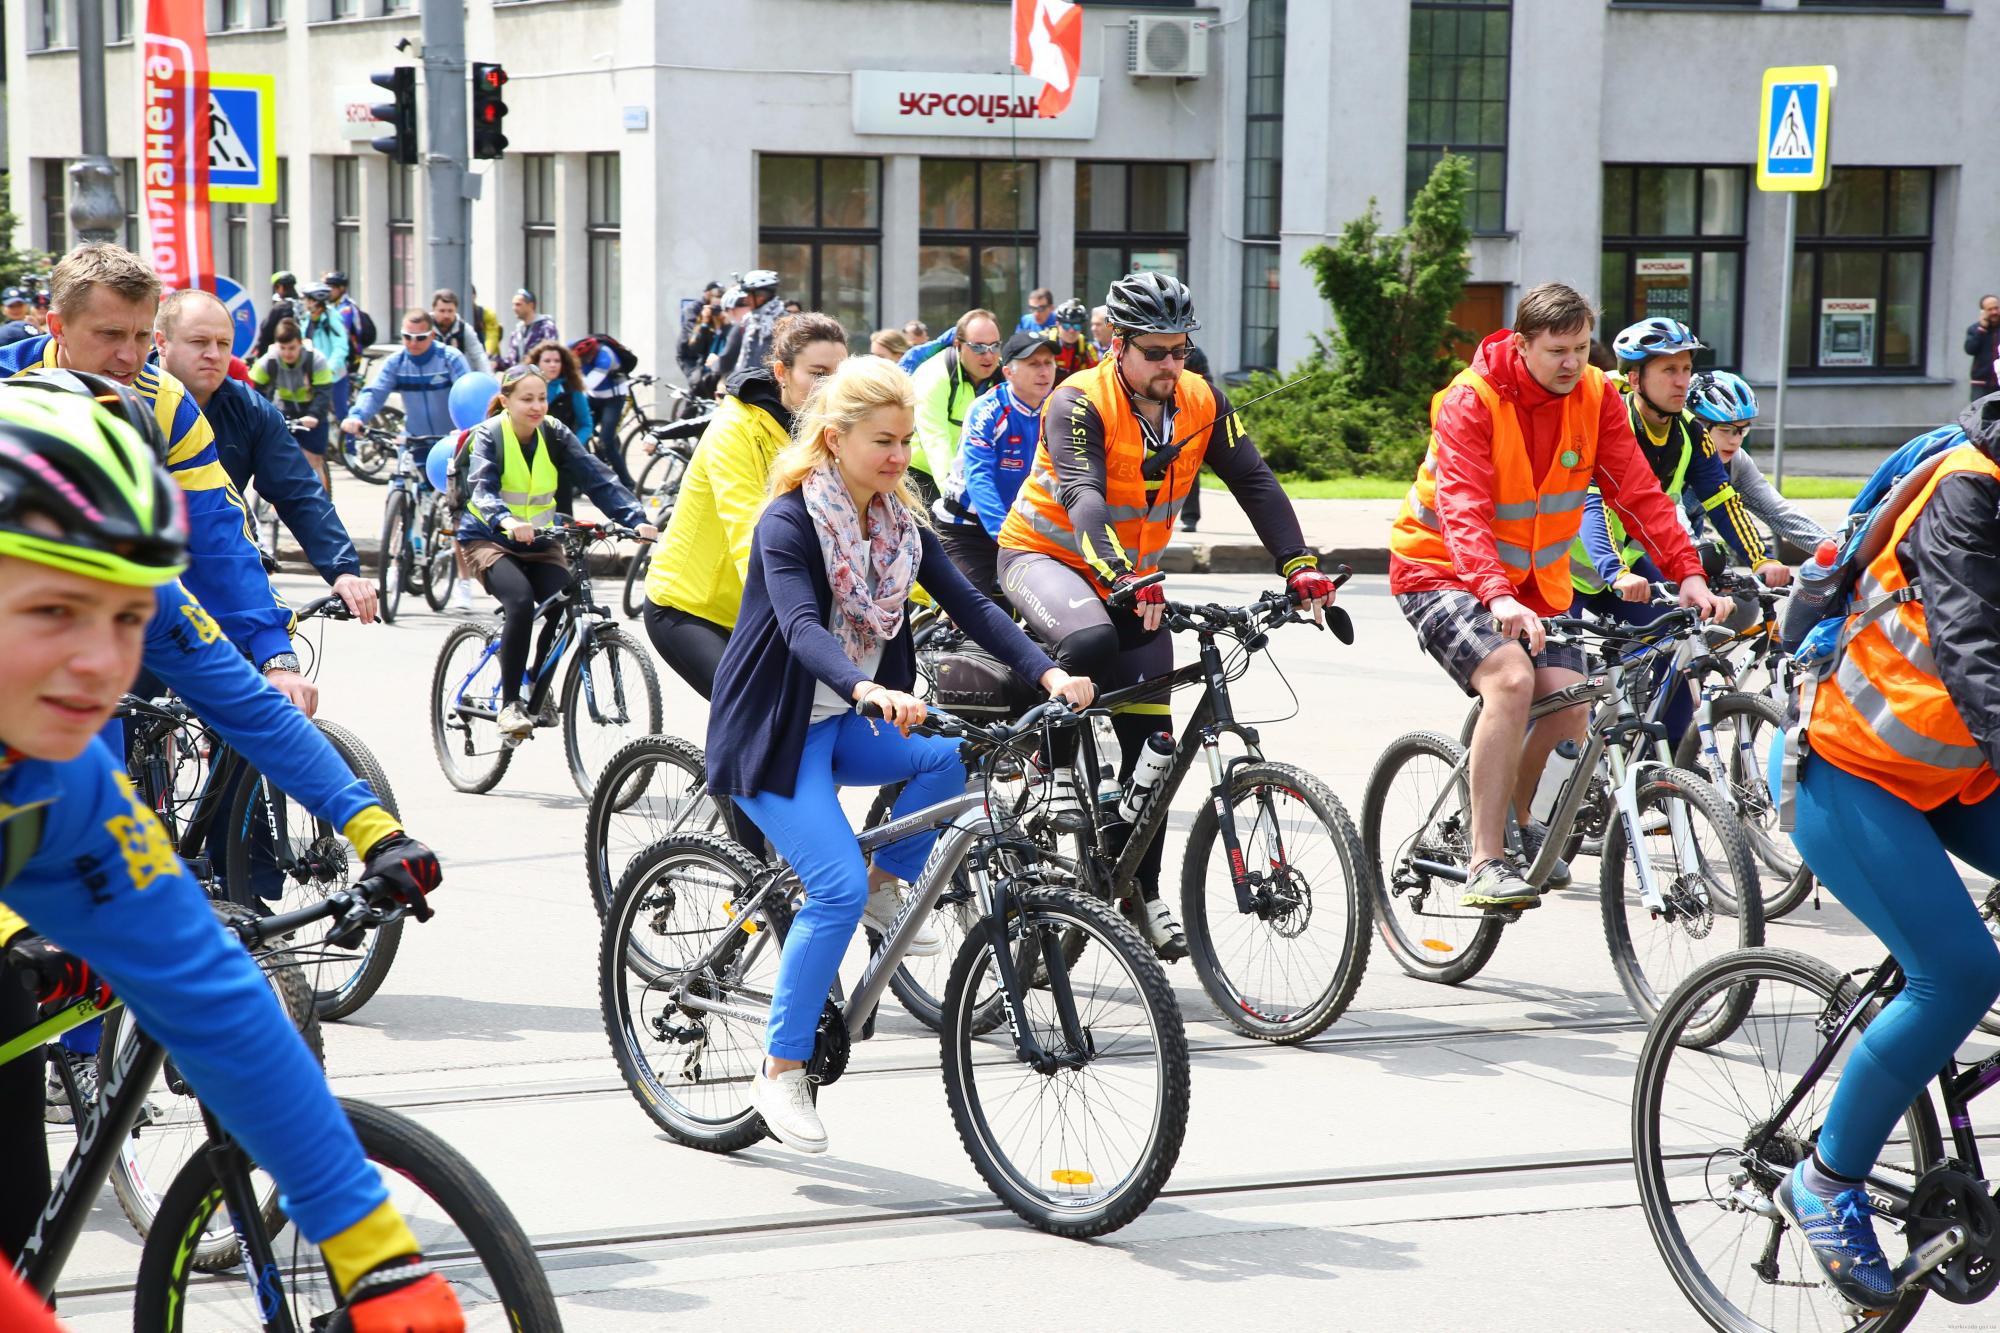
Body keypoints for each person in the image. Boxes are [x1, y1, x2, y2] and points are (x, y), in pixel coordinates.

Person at [0, 387, 461, 1329]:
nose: (100, 664)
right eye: (54, 608)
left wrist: (379, 1262)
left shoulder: (65, 778)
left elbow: (212, 992)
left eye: (128, 619)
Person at [706, 355, 1094, 1154]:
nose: (898, 457)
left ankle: (889, 891)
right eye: (882, 441)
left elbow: (974, 605)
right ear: (835, 436)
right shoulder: (789, 521)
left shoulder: (898, 525)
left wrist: (1047, 668)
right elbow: (800, 628)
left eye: (906, 441)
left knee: (949, 754)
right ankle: (780, 1070)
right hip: (775, 733)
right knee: (832, 885)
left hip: (843, 719)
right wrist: (863, 687)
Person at [997, 271, 1341, 958]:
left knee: (1151, 750)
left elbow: (1254, 480)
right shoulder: (1077, 401)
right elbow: (1082, 493)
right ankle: (1057, 765)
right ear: (1117, 345)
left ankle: (1141, 892)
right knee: (1091, 639)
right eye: (1155, 352)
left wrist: (1297, 564)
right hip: (1045, 556)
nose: (1171, 365)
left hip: (1132, 577)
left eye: (1180, 350)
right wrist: (1120, 574)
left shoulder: (1199, 400)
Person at [1387, 282, 1731, 913]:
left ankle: (1516, 824)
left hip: (1533, 584)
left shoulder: (1597, 394)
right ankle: (1486, 858)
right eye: (1556, 351)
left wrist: (1688, 572)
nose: (1572, 363)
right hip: (1439, 570)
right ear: (1522, 345)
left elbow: (1638, 491)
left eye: (1580, 347)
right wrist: (1494, 594)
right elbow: (1462, 508)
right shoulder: (1473, 400)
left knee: (1574, 704)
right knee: (1513, 680)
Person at [1772, 391, 2000, 1314]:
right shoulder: (1969, 493)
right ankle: (1826, 1179)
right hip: (1852, 771)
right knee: (1956, 972)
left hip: (1951, 773)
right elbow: (1973, 650)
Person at [0, 244, 298, 691]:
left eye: (141, 337)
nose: (130, 357)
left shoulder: (167, 403)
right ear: (58, 327)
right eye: (110, 335)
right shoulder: (9, 388)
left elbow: (215, 528)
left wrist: (275, 653)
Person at [643, 314, 847, 700]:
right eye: (817, 374)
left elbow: (876, 524)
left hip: (760, 611)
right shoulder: (734, 429)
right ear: (782, 372)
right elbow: (749, 532)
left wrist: (928, 596)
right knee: (758, 715)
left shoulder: (828, 433)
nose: (829, 389)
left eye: (838, 377)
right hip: (690, 609)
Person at [458, 365, 656, 740]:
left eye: (542, 398)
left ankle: (536, 684)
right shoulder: (489, 435)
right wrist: (504, 518)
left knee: (565, 600)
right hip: (488, 537)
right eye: (527, 399)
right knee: (520, 601)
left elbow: (596, 476)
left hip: (539, 538)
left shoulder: (553, 432)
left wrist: (635, 519)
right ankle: (511, 705)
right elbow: (481, 489)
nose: (537, 407)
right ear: (505, 401)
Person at [159, 295, 373, 629]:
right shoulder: (128, 394)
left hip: (219, 563)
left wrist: (342, 569)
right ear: (161, 342)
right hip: (137, 576)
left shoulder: (251, 411)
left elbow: (299, 492)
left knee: (274, 666)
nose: (213, 354)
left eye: (223, 343)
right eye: (199, 342)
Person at [1573, 318, 1784, 623]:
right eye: (1669, 370)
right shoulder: (1610, 424)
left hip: (1626, 568)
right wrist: (1615, 571)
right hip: (1566, 571)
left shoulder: (1692, 433)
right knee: (1566, 664)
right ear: (1634, 380)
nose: (1682, 381)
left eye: (1686, 369)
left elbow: (1722, 501)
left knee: (1675, 634)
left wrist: (1760, 558)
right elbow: (1594, 504)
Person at [934, 329, 1054, 601]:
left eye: (1048, 363)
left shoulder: (1057, 407)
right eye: (1033, 364)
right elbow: (979, 477)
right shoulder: (988, 409)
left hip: (1021, 528)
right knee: (973, 615)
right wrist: (1005, 535)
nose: (1044, 372)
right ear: (1009, 372)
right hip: (966, 527)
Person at [1684, 370, 1831, 559]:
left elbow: (1776, 511)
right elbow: (1670, 518)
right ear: (1697, 426)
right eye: (1725, 430)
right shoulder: (1671, 460)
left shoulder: (1736, 462)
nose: (1735, 441)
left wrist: (1830, 548)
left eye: (1742, 430)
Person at [908, 308, 1003, 508]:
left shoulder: (1003, 376)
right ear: (958, 345)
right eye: (978, 347)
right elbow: (936, 441)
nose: (988, 355)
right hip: (921, 472)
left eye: (995, 346)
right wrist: (953, 497)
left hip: (972, 473)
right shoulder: (934, 376)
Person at [341, 310, 471, 443]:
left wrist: (468, 427)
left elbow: (467, 396)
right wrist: (357, 416)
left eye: (420, 338)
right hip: (413, 442)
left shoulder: (450, 358)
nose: (413, 343)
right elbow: (375, 393)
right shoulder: (396, 362)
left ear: (432, 335)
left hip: (450, 442)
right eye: (407, 337)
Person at [247, 318, 335, 483]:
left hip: (313, 411)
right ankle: (275, 508)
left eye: (292, 348)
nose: (287, 353)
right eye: (283, 348)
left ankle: (320, 506)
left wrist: (314, 415)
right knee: (277, 460)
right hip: (285, 409)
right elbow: (253, 390)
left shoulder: (316, 360)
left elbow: (324, 392)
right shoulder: (269, 361)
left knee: (313, 461)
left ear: (300, 343)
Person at [527, 338, 596, 514]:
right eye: (547, 361)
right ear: (536, 364)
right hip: (529, 458)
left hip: (560, 462)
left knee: (563, 515)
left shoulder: (571, 388)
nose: (553, 365)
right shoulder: (525, 386)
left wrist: (572, 446)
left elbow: (586, 424)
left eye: (557, 361)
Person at [575, 334, 633, 485]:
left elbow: (588, 384)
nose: (584, 363)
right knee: (579, 431)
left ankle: (627, 483)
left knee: (606, 442)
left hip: (614, 399)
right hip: (594, 397)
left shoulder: (605, 356)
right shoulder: (573, 348)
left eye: (586, 360)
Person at [300, 281, 357, 426]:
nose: (304, 302)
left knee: (342, 415)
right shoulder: (306, 319)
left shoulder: (332, 318)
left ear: (315, 301)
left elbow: (341, 348)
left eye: (306, 299)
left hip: (334, 375)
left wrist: (329, 369)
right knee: (314, 413)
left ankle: (350, 448)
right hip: (313, 376)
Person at [734, 268, 785, 374]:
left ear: (760, 297)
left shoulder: (782, 322)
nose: (745, 300)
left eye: (748, 295)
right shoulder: (751, 320)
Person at [429, 288, 490, 375]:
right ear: (433, 309)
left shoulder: (464, 329)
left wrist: (488, 378)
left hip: (456, 377)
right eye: (442, 311)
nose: (446, 315)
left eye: (450, 311)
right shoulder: (425, 327)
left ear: (456, 310)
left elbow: (479, 356)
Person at [496, 288, 557, 371]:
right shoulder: (516, 333)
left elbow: (551, 352)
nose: (514, 308)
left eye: (518, 304)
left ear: (530, 305)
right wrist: (496, 362)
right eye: (513, 304)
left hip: (540, 378)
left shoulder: (546, 326)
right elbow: (511, 362)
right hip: (522, 379)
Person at [322, 270, 371, 374]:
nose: (327, 292)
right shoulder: (333, 306)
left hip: (349, 358)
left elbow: (341, 334)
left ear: (341, 288)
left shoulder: (346, 309)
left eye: (330, 288)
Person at [253, 270, 300, 358]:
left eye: (276, 287)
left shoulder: (280, 307)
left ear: (281, 287)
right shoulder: (303, 305)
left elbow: (266, 332)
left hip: (279, 356)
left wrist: (260, 355)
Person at [1965, 294, 2000, 403]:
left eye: (1996, 308)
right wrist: (1982, 329)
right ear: (1983, 311)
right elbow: (1970, 349)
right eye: (1990, 309)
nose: (1994, 312)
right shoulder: (1975, 329)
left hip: (1999, 381)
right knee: (1978, 416)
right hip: (1981, 383)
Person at [1049, 299, 1097, 375]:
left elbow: (1096, 374)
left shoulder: (1087, 348)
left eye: (1076, 326)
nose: (1071, 331)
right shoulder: (1045, 344)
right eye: (1066, 326)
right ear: (1058, 325)